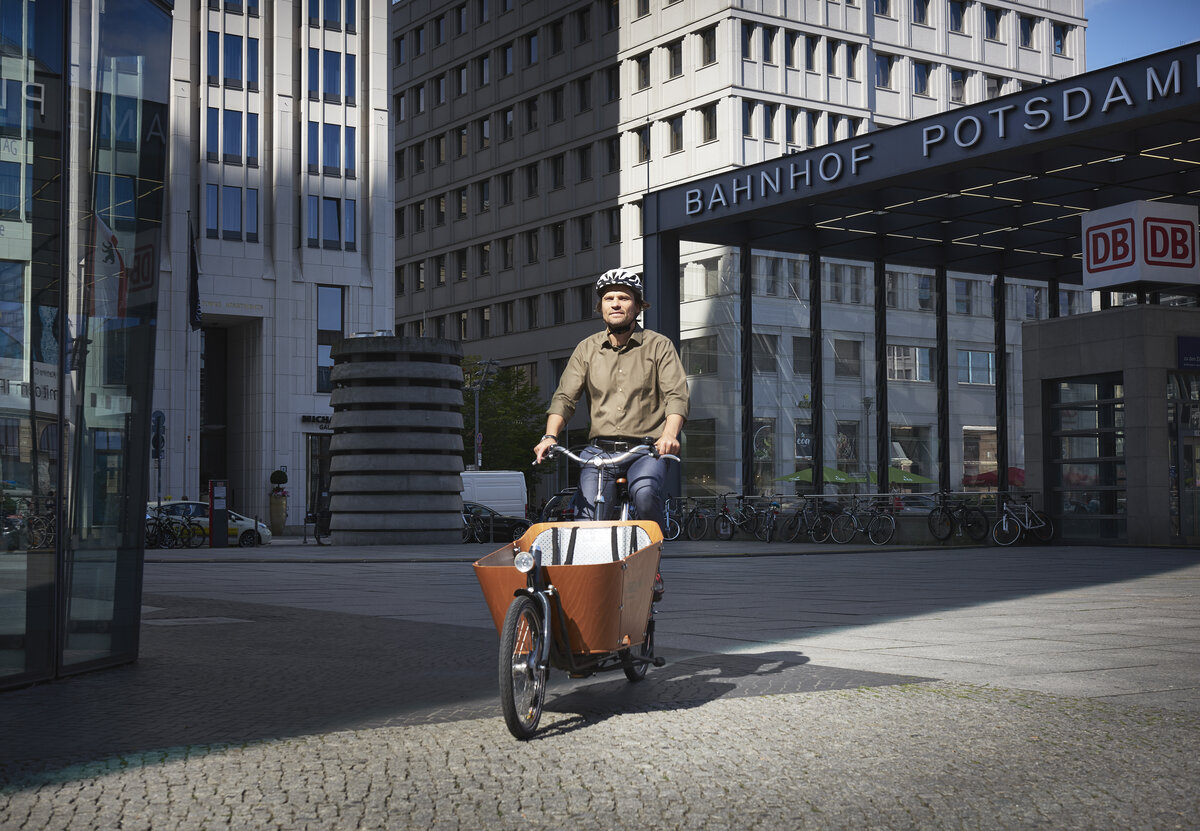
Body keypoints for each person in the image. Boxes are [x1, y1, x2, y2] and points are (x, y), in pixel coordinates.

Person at [533, 267, 689, 535]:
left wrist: (669, 435)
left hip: (646, 450)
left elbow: (676, 394)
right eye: (609, 298)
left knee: (644, 493)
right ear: (601, 307)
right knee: (588, 517)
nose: (616, 303)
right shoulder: (587, 348)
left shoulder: (658, 345)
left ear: (638, 307)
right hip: (599, 453)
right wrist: (549, 436)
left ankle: (655, 552)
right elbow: (565, 397)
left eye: (624, 298)